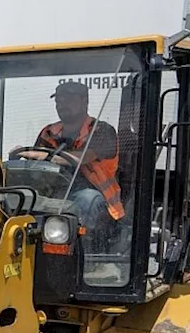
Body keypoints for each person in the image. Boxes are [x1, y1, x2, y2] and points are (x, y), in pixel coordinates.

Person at [16, 81, 125, 251]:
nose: (62, 105)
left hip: (99, 198)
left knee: (87, 199)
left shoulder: (102, 130)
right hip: (55, 193)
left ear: (84, 101)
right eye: (59, 100)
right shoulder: (49, 132)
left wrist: (41, 155)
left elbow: (81, 158)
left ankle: (83, 256)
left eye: (68, 100)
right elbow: (34, 164)